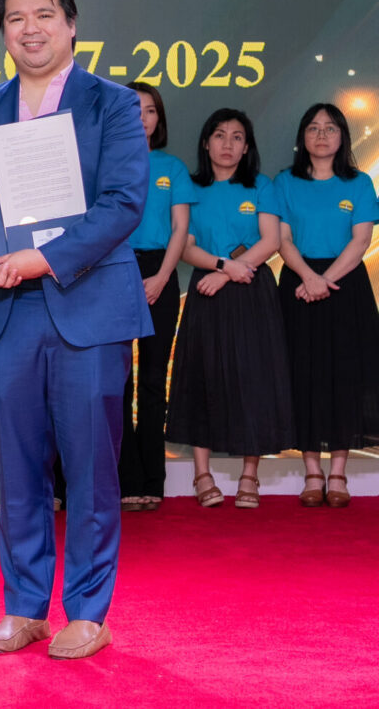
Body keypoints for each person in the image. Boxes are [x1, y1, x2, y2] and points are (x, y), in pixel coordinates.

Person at [0, 0, 151, 660]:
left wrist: (41, 259)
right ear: (3, 32)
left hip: (87, 306)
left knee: (91, 468)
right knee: (16, 467)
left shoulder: (113, 104)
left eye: (44, 14)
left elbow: (124, 204)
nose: (30, 28)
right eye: (16, 18)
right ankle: (25, 606)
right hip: (5, 310)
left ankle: (90, 611)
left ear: (71, 24)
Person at [166, 109, 292, 508]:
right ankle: (202, 474)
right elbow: (185, 246)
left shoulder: (261, 185)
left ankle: (250, 475)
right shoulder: (190, 187)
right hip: (206, 289)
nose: (228, 144)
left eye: (237, 137)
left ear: (247, 146)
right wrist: (222, 267)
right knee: (201, 376)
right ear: (206, 143)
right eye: (219, 135)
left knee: (254, 379)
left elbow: (270, 240)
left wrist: (229, 273)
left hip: (252, 289)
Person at [273, 103, 379, 507]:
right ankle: (312, 472)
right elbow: (282, 239)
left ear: (342, 137)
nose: (321, 135)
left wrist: (324, 280)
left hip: (345, 285)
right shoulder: (285, 182)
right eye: (313, 128)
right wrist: (308, 277)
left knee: (344, 375)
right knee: (303, 373)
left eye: (330, 128)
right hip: (298, 282)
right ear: (302, 136)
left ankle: (338, 473)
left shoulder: (359, 183)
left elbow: (361, 240)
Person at [119, 82, 197, 511]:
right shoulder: (105, 163)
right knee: (118, 380)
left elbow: (180, 229)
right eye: (133, 109)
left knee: (152, 379)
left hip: (161, 273)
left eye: (150, 110)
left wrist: (163, 277)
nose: (142, 118)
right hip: (114, 270)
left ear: (159, 119)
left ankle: (153, 478)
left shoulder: (173, 168)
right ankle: (125, 478)